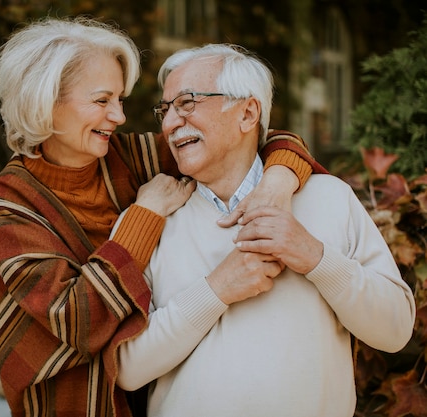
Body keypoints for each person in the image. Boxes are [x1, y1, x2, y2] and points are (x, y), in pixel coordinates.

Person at [0, 17, 325, 417]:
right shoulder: (3, 203)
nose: (120, 117)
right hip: (75, 402)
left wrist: (275, 185)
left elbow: (253, 135)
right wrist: (145, 213)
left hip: (156, 387)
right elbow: (78, 321)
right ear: (46, 102)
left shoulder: (130, 157)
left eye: (120, 100)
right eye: (102, 101)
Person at [115, 43, 416, 417]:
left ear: (247, 113)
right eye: (166, 109)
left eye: (188, 102)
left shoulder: (329, 197)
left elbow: (396, 330)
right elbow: (126, 368)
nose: (170, 123)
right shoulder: (150, 219)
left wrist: (314, 256)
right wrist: (217, 289)